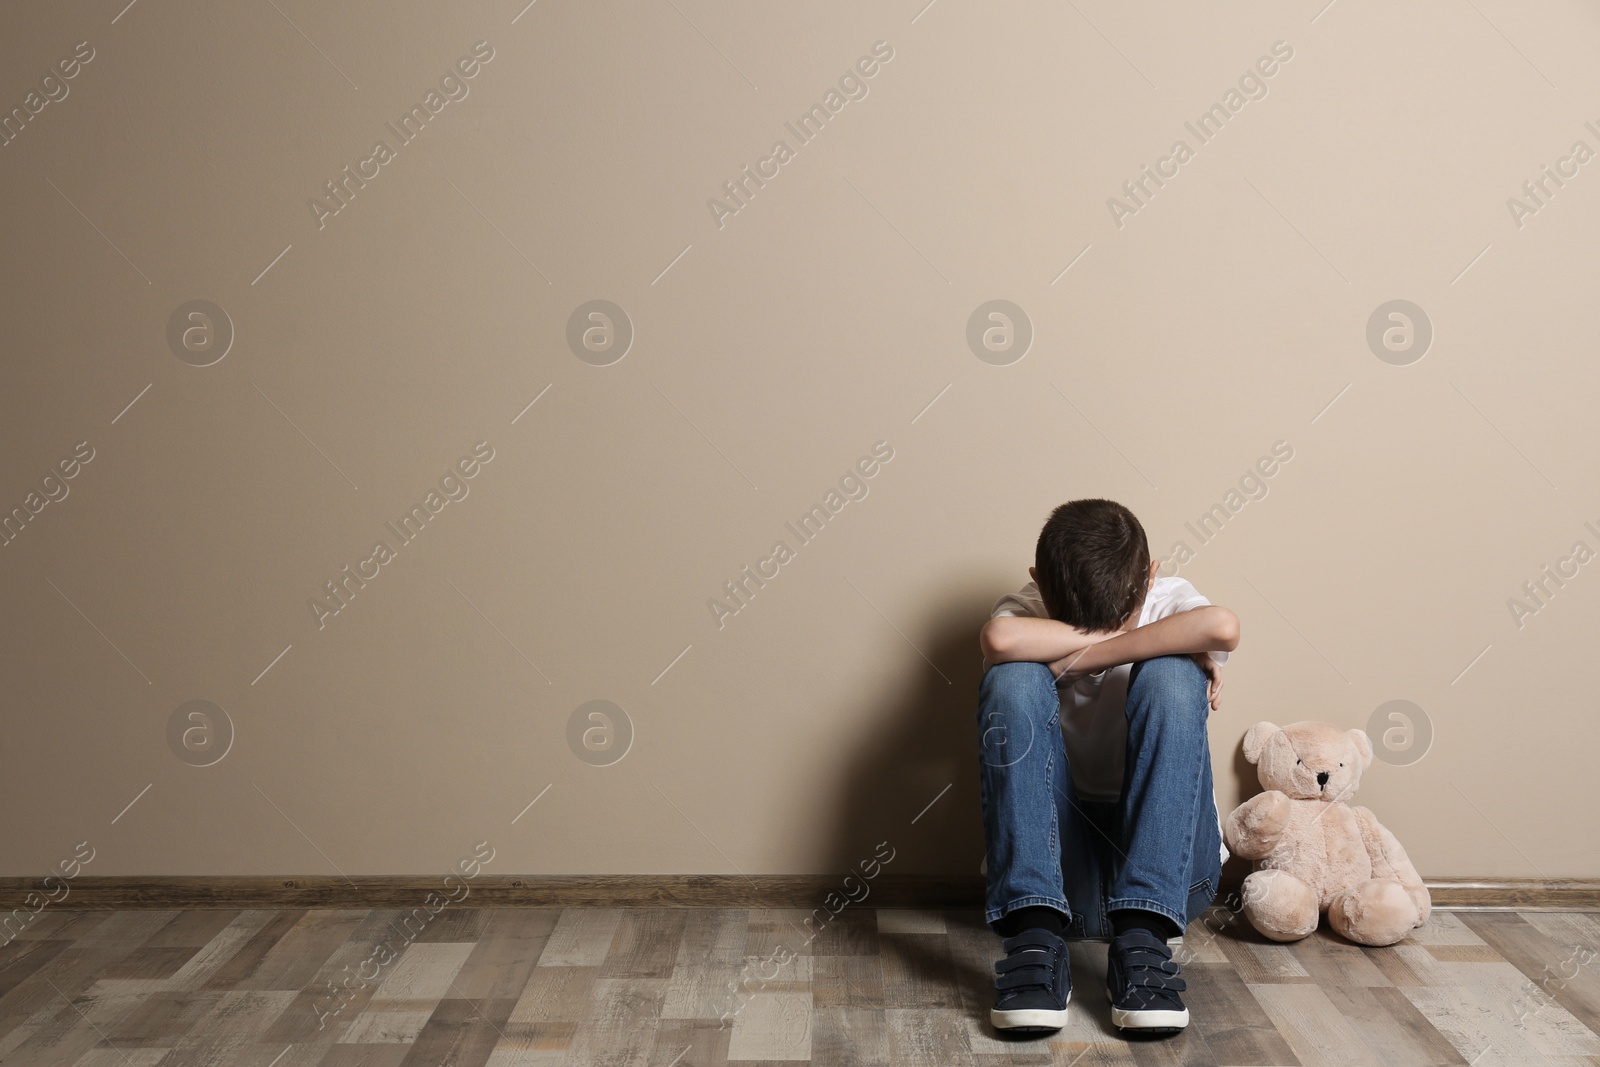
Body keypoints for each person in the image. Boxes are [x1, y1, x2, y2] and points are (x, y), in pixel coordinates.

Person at [975, 498, 1239, 1035]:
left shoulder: (1172, 598)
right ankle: (1033, 937)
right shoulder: (1024, 609)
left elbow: (1223, 625)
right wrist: (1141, 639)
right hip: (1054, 881)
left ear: (1152, 575)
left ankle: (1141, 941)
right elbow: (999, 641)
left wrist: (1079, 650)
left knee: (1171, 676)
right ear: (1036, 583)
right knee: (1011, 680)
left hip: (1170, 883)